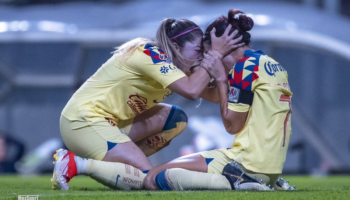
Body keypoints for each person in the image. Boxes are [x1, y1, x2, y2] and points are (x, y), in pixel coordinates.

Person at [52, 18, 244, 190]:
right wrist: (216, 54)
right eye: (198, 51)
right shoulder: (149, 52)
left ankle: (122, 167)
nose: (202, 58)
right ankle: (75, 163)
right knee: (148, 180)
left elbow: (214, 96)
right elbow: (192, 90)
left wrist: (226, 74)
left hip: (111, 124)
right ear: (176, 47)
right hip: (83, 121)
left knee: (176, 120)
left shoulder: (181, 66)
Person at [143, 9, 293, 191]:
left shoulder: (243, 68)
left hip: (244, 163)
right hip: (270, 170)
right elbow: (216, 95)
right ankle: (257, 182)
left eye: (209, 54)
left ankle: (237, 181)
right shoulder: (267, 64)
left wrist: (221, 79)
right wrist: (188, 73)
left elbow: (232, 126)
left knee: (153, 177)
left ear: (227, 47)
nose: (209, 60)